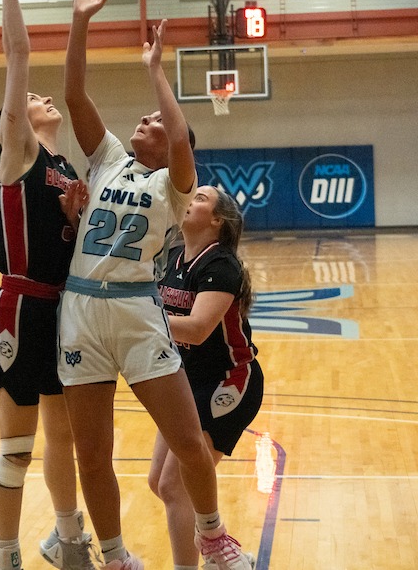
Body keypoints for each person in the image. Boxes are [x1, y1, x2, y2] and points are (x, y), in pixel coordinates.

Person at [59, 11, 255, 570]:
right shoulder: (108, 159)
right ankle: (116, 557)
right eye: (144, 116)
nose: (146, 120)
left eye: (156, 120)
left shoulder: (175, 186)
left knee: (188, 441)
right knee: (91, 453)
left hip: (135, 310)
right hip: (80, 310)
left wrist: (156, 70)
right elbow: (74, 95)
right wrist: (80, 21)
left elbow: (180, 136)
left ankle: (212, 536)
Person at [0, 0, 102, 570]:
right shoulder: (20, 154)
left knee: (63, 440)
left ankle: (68, 541)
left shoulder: (66, 167)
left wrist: (77, 218)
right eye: (34, 99)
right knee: (17, 448)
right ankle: (5, 554)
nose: (41, 98)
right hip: (20, 308)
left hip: (64, 309)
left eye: (41, 97)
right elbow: (18, 55)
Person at [150, 186, 263, 570]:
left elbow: (197, 329)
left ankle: (207, 556)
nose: (190, 200)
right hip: (185, 381)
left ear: (217, 220)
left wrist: (139, 319)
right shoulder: (172, 258)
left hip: (228, 381)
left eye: (200, 198)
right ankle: (226, 554)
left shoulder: (221, 265)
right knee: (159, 482)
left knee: (174, 486)